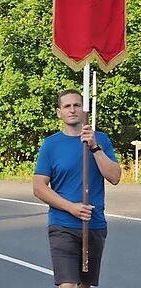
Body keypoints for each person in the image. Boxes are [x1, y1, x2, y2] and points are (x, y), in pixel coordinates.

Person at [33, 89, 121, 288]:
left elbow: (114, 177)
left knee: (83, 285)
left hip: (94, 224)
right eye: (67, 106)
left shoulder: (101, 140)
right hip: (62, 224)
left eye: (76, 105)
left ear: (83, 110)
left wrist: (94, 148)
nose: (72, 110)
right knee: (68, 285)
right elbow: (39, 187)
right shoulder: (51, 144)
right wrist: (70, 207)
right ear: (59, 112)